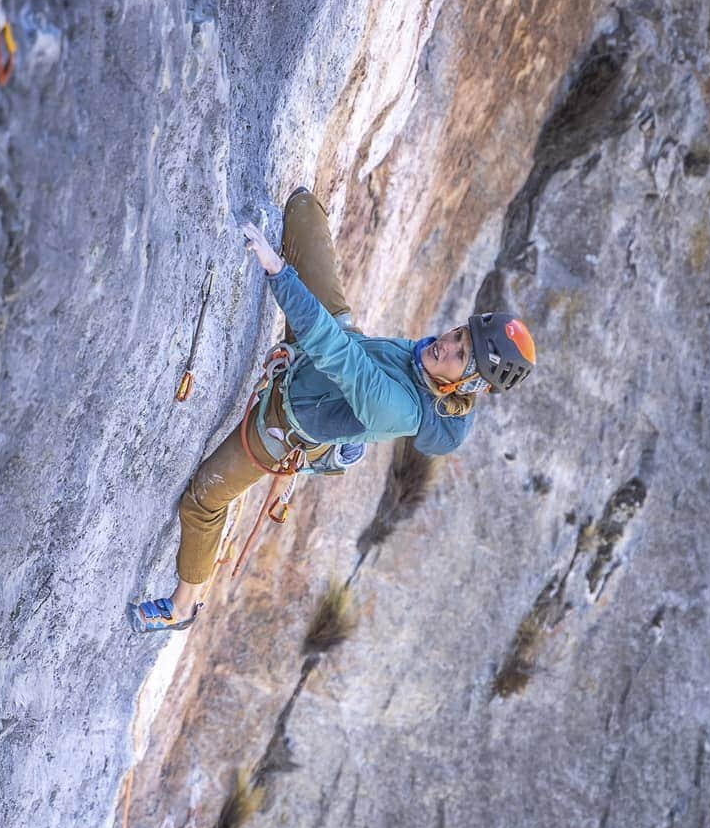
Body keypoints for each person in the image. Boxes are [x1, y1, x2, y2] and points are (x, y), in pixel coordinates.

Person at [129, 188, 536, 631]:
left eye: (460, 353)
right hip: (327, 351)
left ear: (469, 382)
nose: (447, 344)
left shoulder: (401, 410)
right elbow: (346, 349)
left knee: (203, 499)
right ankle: (304, 357)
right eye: (459, 335)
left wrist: (278, 271)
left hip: (284, 422)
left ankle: (182, 608)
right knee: (303, 210)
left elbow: (340, 356)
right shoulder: (429, 361)